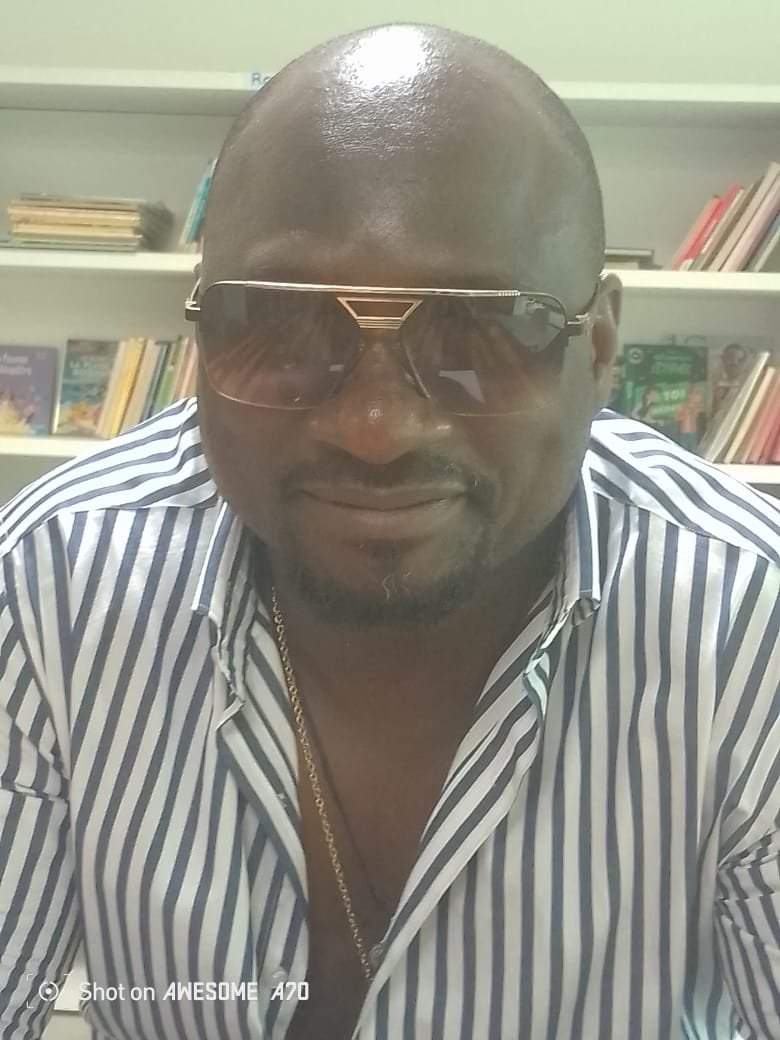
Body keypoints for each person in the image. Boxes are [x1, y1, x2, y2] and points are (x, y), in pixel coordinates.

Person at [1, 23, 778, 1040]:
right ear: (200, 333)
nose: (374, 428)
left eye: (475, 332)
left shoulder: (750, 621)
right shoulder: (50, 583)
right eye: (284, 325)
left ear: (596, 350)